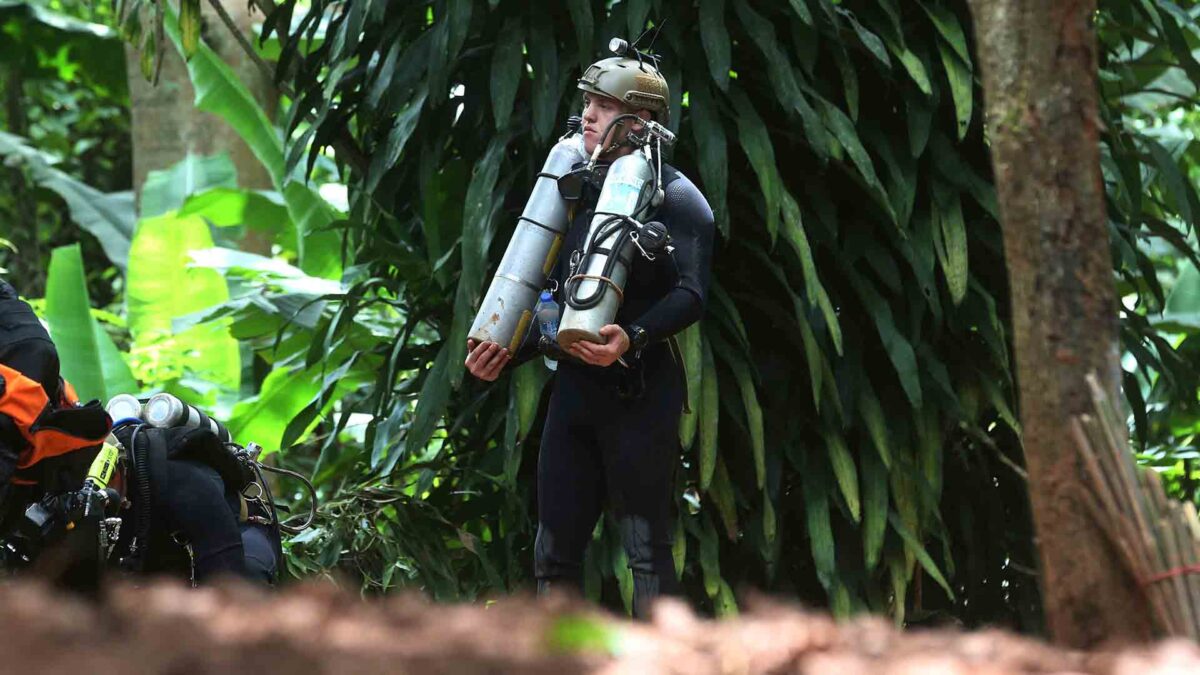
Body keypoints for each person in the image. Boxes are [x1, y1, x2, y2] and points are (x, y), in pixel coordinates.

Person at [465, 45, 716, 618]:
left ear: (642, 121)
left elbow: (691, 295)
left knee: (645, 553)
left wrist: (633, 337)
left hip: (640, 395)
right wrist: (510, 351)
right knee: (553, 553)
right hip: (573, 397)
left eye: (604, 105)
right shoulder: (573, 193)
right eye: (587, 102)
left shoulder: (679, 198)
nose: (588, 115)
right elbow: (554, 297)